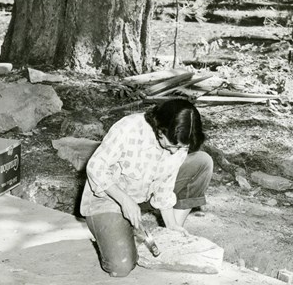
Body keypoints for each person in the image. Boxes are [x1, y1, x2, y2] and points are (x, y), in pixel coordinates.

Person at [80, 99, 213, 277]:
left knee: (202, 161)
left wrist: (172, 225)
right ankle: (110, 230)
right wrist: (125, 201)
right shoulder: (128, 128)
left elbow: (165, 184)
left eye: (181, 148)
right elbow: (95, 168)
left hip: (142, 195)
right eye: (171, 145)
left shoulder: (178, 143)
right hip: (107, 196)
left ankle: (155, 234)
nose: (174, 152)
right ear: (160, 129)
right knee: (121, 267)